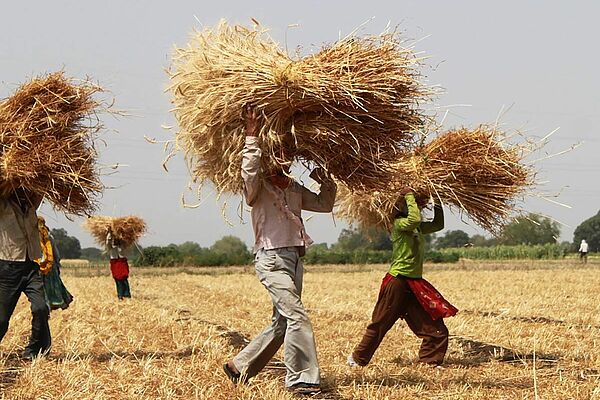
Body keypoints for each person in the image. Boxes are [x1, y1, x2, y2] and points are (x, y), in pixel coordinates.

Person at [223, 106, 336, 396]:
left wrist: (326, 179)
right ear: (270, 153)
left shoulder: (294, 187)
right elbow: (248, 170)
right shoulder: (257, 187)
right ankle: (301, 380)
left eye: (289, 151)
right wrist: (251, 135)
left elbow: (324, 204)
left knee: (283, 322)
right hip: (271, 260)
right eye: (281, 150)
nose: (286, 156)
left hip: (295, 259)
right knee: (298, 317)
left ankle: (240, 365)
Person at [348, 189, 457, 368]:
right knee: (380, 323)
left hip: (414, 283)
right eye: (411, 204)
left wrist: (437, 198)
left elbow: (438, 225)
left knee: (436, 328)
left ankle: (430, 363)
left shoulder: (418, 228)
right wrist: (408, 194)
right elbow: (413, 218)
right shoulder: (398, 224)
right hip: (398, 282)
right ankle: (357, 359)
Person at [0, 188, 51, 360]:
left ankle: (35, 349)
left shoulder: (31, 206)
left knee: (41, 308)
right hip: (8, 268)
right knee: (1, 318)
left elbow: (42, 187)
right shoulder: (3, 204)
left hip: (31, 266)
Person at [36, 217, 73, 310]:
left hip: (37, 268)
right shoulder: (49, 236)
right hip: (50, 268)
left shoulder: (32, 236)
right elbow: (56, 254)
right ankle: (51, 305)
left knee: (41, 291)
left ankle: (45, 308)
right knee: (52, 289)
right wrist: (57, 264)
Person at [106, 229, 131, 300]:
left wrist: (122, 231)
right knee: (118, 280)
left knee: (124, 279)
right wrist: (110, 232)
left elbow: (126, 240)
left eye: (117, 240)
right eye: (114, 240)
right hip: (115, 264)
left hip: (122, 263)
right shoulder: (111, 247)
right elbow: (108, 241)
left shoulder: (123, 246)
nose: (115, 241)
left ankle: (127, 295)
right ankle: (120, 295)